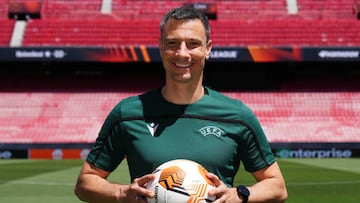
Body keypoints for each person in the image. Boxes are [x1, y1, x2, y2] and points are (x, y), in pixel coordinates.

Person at [74, 6, 288, 203]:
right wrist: (121, 193)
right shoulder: (128, 113)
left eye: (193, 44)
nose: (182, 53)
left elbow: (277, 187)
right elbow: (85, 183)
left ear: (208, 49)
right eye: (173, 43)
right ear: (160, 48)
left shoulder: (237, 115)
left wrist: (239, 194)